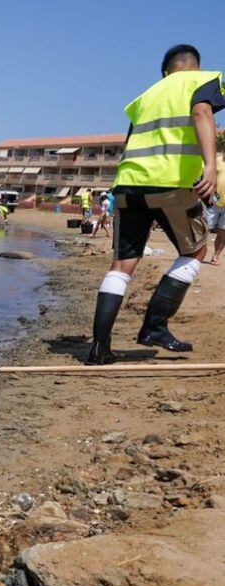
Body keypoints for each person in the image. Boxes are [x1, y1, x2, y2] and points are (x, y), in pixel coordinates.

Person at [86, 44, 224, 364]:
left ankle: (99, 348)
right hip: (171, 185)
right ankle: (154, 328)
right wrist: (210, 166)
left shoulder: (144, 97)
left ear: (165, 70)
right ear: (195, 66)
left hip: (128, 185)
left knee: (122, 265)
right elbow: (202, 112)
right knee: (194, 251)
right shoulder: (205, 80)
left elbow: (131, 141)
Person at [206, 194, 225, 265]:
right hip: (215, 199)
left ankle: (215, 256)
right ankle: (194, 254)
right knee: (203, 227)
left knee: (223, 231)